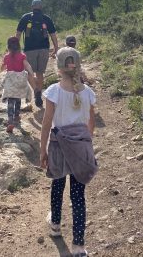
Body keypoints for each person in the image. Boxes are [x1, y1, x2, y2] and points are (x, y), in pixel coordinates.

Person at [40, 47, 97, 257]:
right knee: (78, 195)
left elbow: (46, 124)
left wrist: (42, 150)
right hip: (80, 148)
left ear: (58, 68)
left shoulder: (54, 92)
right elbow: (91, 122)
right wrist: (86, 141)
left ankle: (55, 225)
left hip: (58, 146)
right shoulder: (88, 93)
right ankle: (79, 246)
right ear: (78, 66)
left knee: (57, 184)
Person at [16, 0, 58, 108]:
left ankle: (36, 91)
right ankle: (39, 92)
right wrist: (56, 47)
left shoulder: (26, 17)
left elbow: (18, 34)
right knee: (40, 73)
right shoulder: (46, 19)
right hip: (44, 49)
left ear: (32, 7)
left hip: (29, 49)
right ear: (41, 7)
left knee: (30, 73)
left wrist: (17, 49)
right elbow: (53, 34)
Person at [1, 36, 36, 133]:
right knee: (18, 98)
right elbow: (27, 66)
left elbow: (3, 68)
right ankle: (17, 116)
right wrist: (32, 74)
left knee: (10, 100)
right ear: (18, 46)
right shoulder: (22, 56)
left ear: (8, 46)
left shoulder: (7, 57)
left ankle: (10, 120)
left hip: (11, 81)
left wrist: (3, 66)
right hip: (20, 80)